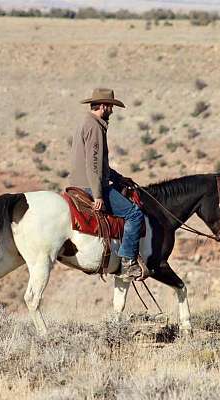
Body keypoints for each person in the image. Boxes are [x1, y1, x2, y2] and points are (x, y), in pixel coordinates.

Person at [69, 88, 146, 280]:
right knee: (134, 214)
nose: (112, 111)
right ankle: (128, 261)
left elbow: (99, 165)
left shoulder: (85, 123)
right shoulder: (95, 127)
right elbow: (94, 165)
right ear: (103, 106)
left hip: (80, 182)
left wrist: (119, 178)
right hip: (91, 185)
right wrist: (98, 195)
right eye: (111, 107)